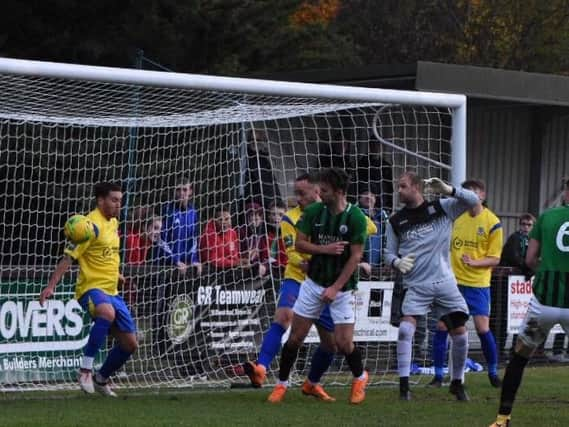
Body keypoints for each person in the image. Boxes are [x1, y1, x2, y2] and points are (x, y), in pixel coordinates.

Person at [244, 173, 377, 402]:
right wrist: (316, 256)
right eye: (296, 193)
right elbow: (292, 251)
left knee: (334, 343)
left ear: (319, 191)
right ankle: (263, 369)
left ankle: (313, 383)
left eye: (302, 193)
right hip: (300, 278)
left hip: (335, 284)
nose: (298, 198)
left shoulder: (349, 215)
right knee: (286, 319)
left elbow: (369, 230)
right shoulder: (292, 217)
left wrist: (351, 253)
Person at [384, 172, 479, 401]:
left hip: (445, 282)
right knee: (406, 330)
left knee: (461, 335)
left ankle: (457, 383)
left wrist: (450, 190)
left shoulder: (442, 208)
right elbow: (387, 253)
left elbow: (474, 201)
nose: (399, 191)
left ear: (416, 187)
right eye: (398, 186)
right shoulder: (395, 221)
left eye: (403, 186)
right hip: (416, 285)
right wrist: (396, 262)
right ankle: (404, 386)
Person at [39, 182, 137, 397]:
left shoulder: (113, 223)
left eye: (120, 200)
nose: (118, 204)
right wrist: (50, 286)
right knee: (107, 313)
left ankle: (101, 378)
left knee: (130, 344)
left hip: (112, 291)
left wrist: (117, 274)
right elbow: (68, 258)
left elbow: (106, 255)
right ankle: (84, 370)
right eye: (114, 200)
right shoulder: (89, 226)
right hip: (90, 288)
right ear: (100, 200)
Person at [488, 179, 569, 427]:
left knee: (520, 358)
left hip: (542, 308)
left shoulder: (546, 217)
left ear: (567, 192)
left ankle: (502, 418)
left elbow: (530, 258)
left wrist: (544, 269)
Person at [430, 179, 504, 388]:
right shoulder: (457, 217)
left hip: (478, 284)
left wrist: (475, 262)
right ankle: (437, 376)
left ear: (482, 196)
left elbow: (495, 258)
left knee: (482, 328)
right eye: (464, 193)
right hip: (453, 283)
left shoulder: (493, 222)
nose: (467, 197)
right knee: (442, 326)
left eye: (472, 193)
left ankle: (492, 372)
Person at [161, 176, 202, 276]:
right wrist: (175, 261)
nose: (181, 193)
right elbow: (161, 241)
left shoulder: (193, 212)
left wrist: (194, 260)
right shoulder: (166, 210)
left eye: (185, 189)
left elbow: (194, 240)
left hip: (186, 266)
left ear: (190, 191)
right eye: (178, 190)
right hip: (166, 266)